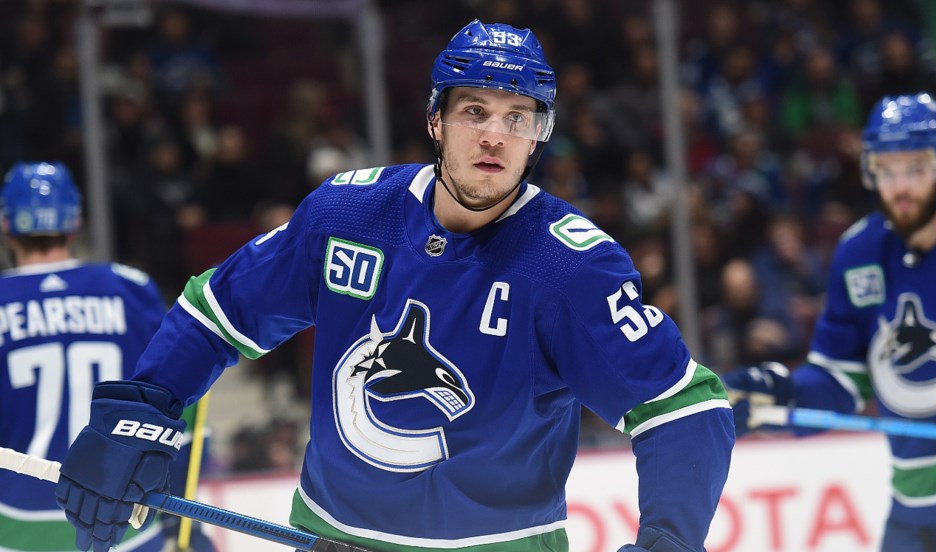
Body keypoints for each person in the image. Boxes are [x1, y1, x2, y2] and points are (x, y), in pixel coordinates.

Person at [55, 20, 735, 552]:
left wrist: (669, 542)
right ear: (436, 120)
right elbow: (219, 311)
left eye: (517, 117)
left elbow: (684, 409)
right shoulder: (347, 212)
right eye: (475, 111)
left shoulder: (573, 265)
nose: (495, 136)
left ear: (539, 137)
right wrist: (140, 407)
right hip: (327, 541)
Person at [724, 92, 936, 552]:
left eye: (913, 168)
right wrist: (780, 393)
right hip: (915, 512)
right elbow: (841, 382)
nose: (901, 187)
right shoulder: (859, 254)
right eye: (887, 170)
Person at [0, 162, 212, 551]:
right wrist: (184, 520)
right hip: (122, 519)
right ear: (75, 222)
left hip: (13, 527)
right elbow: (180, 400)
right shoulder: (130, 289)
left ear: (7, 225)